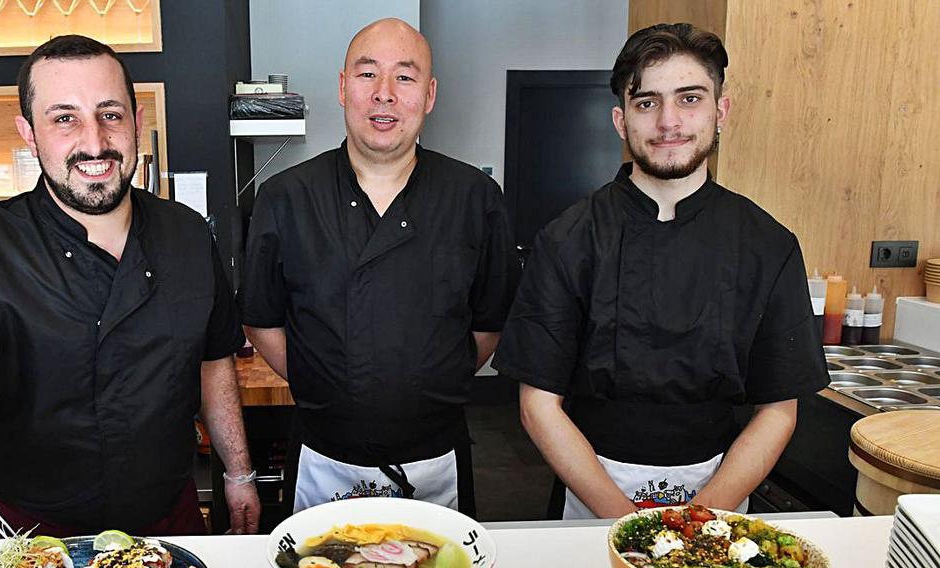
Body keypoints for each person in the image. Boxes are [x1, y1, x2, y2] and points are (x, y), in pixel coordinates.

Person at [0, 35, 260, 536]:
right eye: (64, 118)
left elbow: (214, 362)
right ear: (29, 133)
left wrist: (238, 473)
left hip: (171, 522)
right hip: (35, 542)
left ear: (137, 121)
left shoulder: (189, 235)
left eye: (110, 113)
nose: (93, 141)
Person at [494, 23, 828, 519]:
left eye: (689, 99)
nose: (669, 121)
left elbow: (779, 409)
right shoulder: (568, 239)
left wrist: (698, 519)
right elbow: (538, 404)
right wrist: (623, 521)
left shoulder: (767, 244)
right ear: (620, 121)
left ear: (721, 111)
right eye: (647, 103)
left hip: (718, 493)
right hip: (593, 493)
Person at [240, 18, 517, 516]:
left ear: (429, 95)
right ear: (344, 88)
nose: (384, 94)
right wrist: (326, 384)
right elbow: (261, 319)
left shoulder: (475, 199)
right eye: (368, 75)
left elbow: (487, 325)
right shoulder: (285, 197)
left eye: (405, 78)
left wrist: (419, 386)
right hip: (324, 457)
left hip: (434, 459)